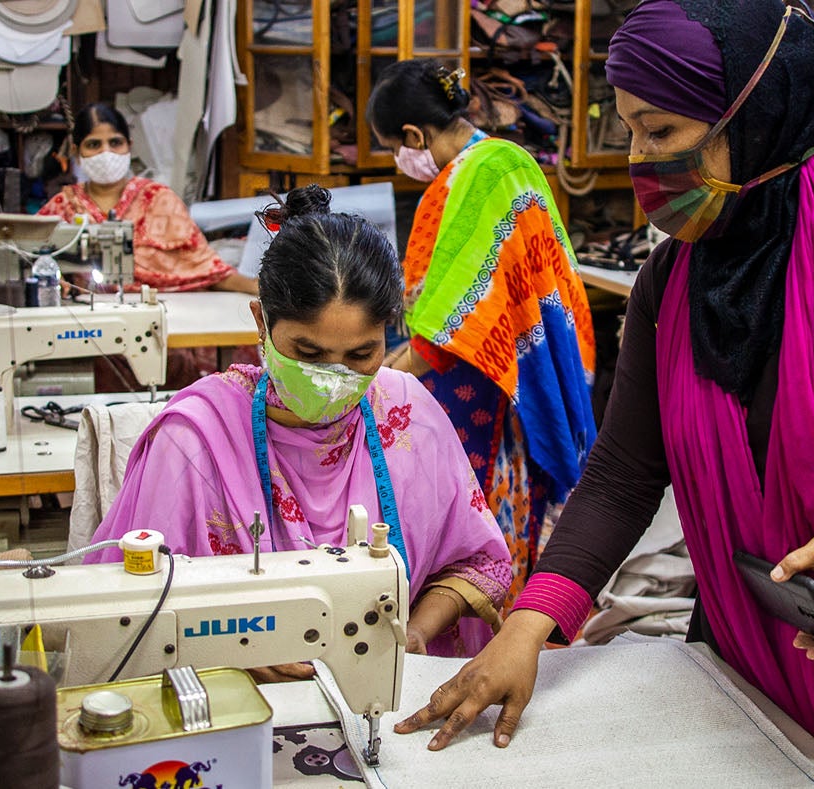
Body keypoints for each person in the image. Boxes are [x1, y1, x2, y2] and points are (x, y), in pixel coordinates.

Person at [391, 4, 814, 788]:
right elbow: (626, 472)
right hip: (760, 644)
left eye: (660, 133)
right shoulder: (675, 279)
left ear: (758, 114)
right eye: (628, 130)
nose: (639, 161)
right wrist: (529, 622)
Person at [87, 185, 512, 660]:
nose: (333, 378)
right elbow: (136, 609)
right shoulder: (192, 441)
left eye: (361, 354)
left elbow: (475, 563)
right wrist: (237, 648)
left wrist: (414, 631)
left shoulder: (408, 415)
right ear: (260, 321)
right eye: (308, 354)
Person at [367, 60, 598, 605]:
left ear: (413, 136)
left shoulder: (471, 177)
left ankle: (482, 626)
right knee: (508, 498)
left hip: (480, 381)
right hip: (518, 364)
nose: (399, 162)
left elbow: (449, 321)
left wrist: (379, 378)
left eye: (391, 148)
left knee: (474, 509)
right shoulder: (510, 161)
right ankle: (517, 611)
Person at [39, 103, 256, 295]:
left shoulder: (158, 199)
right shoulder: (64, 206)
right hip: (89, 317)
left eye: (115, 143)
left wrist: (255, 287)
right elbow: (31, 256)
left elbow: (207, 269)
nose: (106, 152)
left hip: (168, 313)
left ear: (129, 146)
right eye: (94, 144)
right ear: (77, 152)